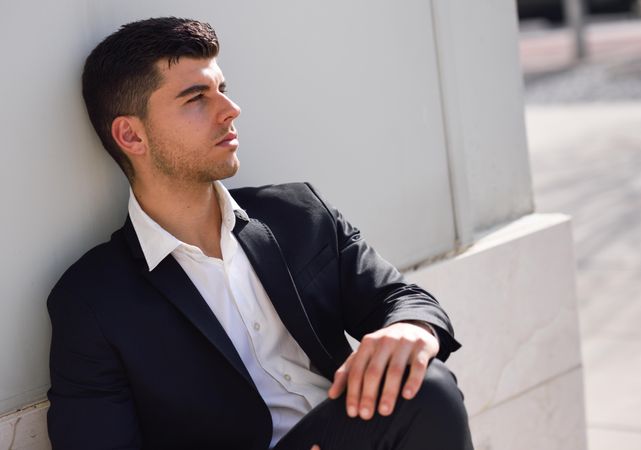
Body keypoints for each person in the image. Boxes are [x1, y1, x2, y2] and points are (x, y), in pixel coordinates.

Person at [46, 17, 473, 450]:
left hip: (355, 432)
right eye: (196, 98)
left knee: (425, 384)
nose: (229, 110)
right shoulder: (91, 301)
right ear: (131, 135)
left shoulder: (298, 213)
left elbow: (401, 298)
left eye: (222, 90)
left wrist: (411, 328)